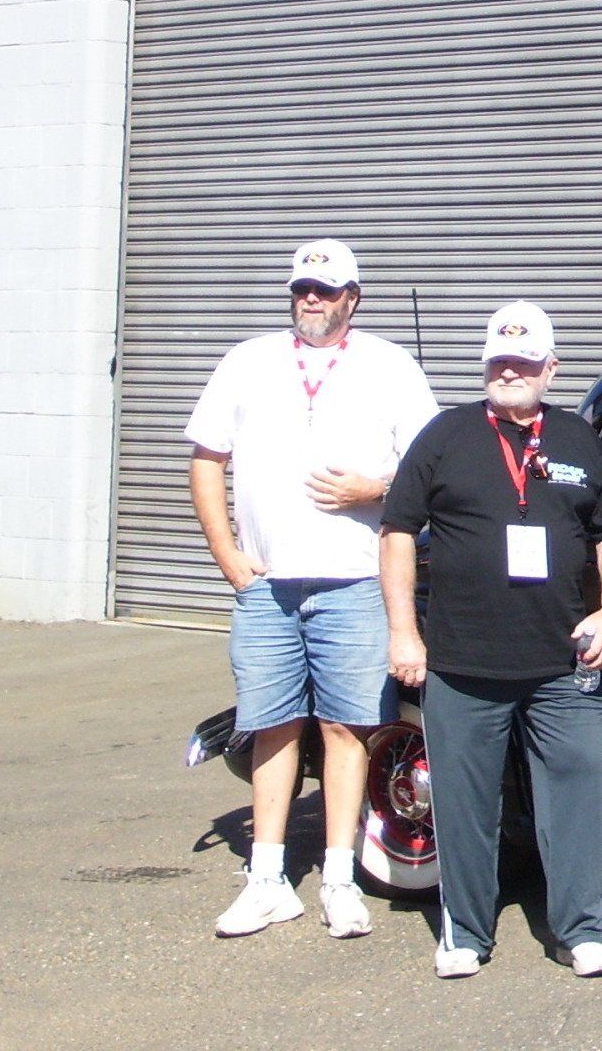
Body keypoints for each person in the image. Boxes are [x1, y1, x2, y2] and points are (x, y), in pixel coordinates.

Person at [186, 238, 440, 939]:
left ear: (352, 298)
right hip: (268, 588)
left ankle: (338, 879)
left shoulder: (391, 365)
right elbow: (206, 459)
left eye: (325, 290)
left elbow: (429, 467)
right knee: (271, 727)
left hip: (355, 583)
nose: (311, 299)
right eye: (302, 288)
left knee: (346, 729)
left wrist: (374, 488)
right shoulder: (247, 361)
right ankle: (267, 881)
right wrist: (228, 556)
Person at [380, 300, 602, 981]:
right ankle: (465, 933)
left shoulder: (577, 438)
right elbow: (397, 531)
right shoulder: (446, 435)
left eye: (523, 362)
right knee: (464, 809)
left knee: (576, 802)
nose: (509, 372)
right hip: (462, 664)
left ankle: (583, 930)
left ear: (551, 368)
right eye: (499, 362)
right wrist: (403, 632)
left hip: (564, 664)